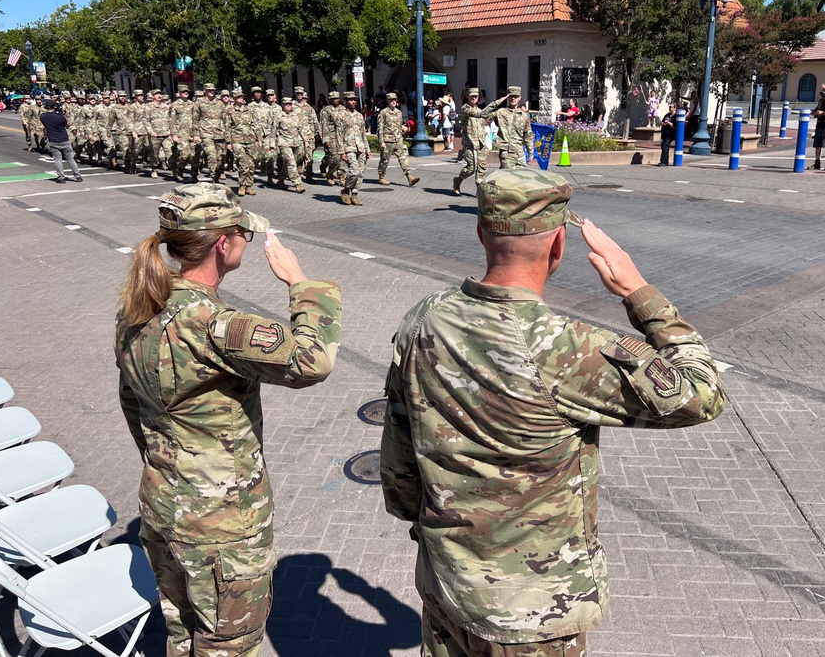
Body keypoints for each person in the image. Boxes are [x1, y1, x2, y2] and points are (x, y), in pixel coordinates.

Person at [381, 168, 725, 657]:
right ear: (559, 244)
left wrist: (424, 529)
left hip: (447, 587)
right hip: (533, 613)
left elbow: (398, 453)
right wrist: (639, 293)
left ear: (481, 232)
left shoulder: (423, 317)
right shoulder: (569, 347)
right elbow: (702, 393)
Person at [116, 183, 341, 657]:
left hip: (163, 502)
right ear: (224, 243)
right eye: (242, 234)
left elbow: (131, 401)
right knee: (228, 646)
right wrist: (300, 285)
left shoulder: (137, 307)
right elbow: (312, 361)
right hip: (222, 525)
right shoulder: (218, 325)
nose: (245, 242)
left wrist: (169, 464)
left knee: (182, 634)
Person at [452, 89, 506, 195]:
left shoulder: (480, 110)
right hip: (470, 144)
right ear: (467, 97)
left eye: (476, 96)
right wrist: (497, 102)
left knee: (481, 168)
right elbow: (479, 114)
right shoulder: (465, 108)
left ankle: (479, 191)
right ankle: (458, 180)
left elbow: (487, 117)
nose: (474, 98)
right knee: (471, 168)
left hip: (481, 144)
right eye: (472, 96)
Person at [377, 92, 420, 187]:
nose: (393, 101)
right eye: (391, 100)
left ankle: (410, 177)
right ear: (387, 101)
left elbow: (399, 125)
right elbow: (380, 127)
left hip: (398, 139)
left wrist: (405, 130)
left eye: (395, 100)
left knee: (403, 157)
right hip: (388, 140)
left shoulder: (399, 112)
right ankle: (381, 176)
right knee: (384, 160)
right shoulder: (383, 112)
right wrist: (381, 141)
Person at [39, 100, 83, 183]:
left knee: (57, 160)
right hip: (64, 140)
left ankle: (61, 177)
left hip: (53, 141)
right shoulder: (60, 117)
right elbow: (67, 125)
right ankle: (77, 176)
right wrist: (63, 114)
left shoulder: (43, 116)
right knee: (70, 159)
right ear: (54, 107)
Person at [492, 86, 534, 169]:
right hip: (507, 152)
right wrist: (498, 102)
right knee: (509, 177)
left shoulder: (524, 116)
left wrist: (531, 153)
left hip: (519, 153)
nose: (513, 98)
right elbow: (484, 114)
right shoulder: (501, 112)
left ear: (520, 98)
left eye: (516, 96)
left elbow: (528, 136)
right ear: (507, 97)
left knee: (523, 178)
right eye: (511, 96)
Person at [340, 91, 369, 206]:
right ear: (346, 101)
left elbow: (363, 133)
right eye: (351, 100)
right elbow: (339, 134)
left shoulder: (359, 115)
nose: (353, 102)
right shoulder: (341, 116)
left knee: (360, 173)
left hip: (360, 147)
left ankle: (355, 195)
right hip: (349, 147)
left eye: (355, 100)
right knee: (354, 171)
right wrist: (341, 151)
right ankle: (346, 190)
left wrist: (367, 149)